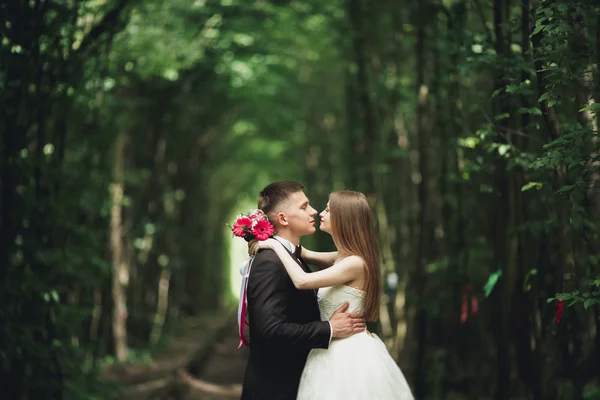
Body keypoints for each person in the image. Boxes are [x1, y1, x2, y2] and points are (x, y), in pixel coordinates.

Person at [254, 190, 414, 400]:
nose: (320, 212)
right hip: (331, 348)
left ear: (343, 219)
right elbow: (303, 253)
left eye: (328, 210)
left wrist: (273, 244)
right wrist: (271, 235)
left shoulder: (354, 263)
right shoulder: (342, 258)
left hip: (348, 354)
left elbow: (302, 281)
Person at [241, 181, 366, 400]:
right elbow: (270, 331)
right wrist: (328, 328)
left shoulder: (292, 257)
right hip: (275, 390)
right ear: (283, 219)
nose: (314, 211)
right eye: (304, 206)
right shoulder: (270, 262)